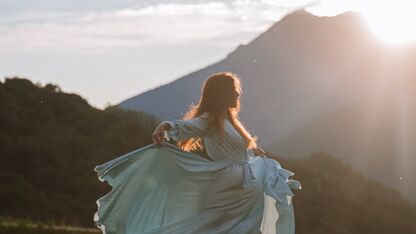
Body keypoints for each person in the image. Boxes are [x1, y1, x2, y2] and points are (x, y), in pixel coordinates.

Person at [93, 72, 301, 234]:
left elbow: (235, 148)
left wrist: (251, 152)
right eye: (233, 90)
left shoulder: (229, 121)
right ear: (221, 94)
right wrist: (167, 126)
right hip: (227, 189)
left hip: (242, 188)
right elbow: (189, 126)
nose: (238, 94)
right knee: (212, 228)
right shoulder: (211, 119)